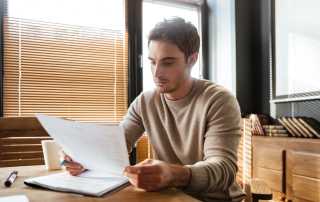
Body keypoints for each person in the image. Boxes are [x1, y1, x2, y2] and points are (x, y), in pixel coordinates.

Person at [64, 17, 246, 202]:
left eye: (167, 63)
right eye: (152, 62)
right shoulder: (145, 101)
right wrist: (85, 159)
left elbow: (224, 169)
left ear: (192, 59)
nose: (157, 73)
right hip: (170, 197)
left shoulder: (219, 100)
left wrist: (175, 174)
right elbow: (117, 144)